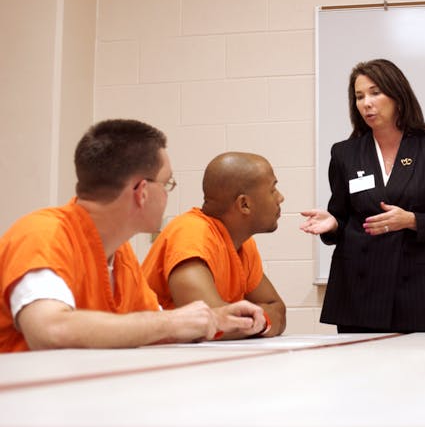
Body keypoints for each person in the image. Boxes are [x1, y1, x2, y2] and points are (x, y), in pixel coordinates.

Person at [0, 119, 266, 353]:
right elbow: (50, 331)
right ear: (142, 192)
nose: (167, 195)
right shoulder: (42, 235)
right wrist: (174, 321)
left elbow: (150, 324)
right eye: (167, 184)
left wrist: (216, 319)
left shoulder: (121, 255)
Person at [300, 58, 425, 333]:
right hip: (357, 286)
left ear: (397, 94)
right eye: (359, 96)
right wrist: (333, 223)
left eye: (375, 92)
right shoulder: (345, 153)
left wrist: (410, 220)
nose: (366, 103)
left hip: (414, 288)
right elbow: (340, 217)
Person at [142, 152, 286, 338]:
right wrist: (260, 320)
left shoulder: (243, 243)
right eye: (273, 189)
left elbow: (278, 310)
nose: (280, 197)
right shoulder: (191, 233)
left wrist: (260, 321)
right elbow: (210, 324)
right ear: (244, 204)